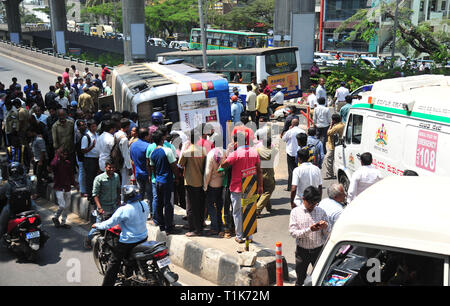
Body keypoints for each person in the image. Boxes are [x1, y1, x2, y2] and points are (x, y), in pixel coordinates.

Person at [92, 185, 149, 286]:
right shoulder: (144, 204)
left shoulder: (124, 209)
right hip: (143, 238)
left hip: (129, 242)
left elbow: (109, 223)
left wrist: (97, 225)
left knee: (113, 263)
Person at [220, 129, 263, 244]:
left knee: (237, 212)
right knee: (249, 210)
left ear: (236, 143)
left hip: (237, 188)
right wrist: (260, 186)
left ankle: (239, 236)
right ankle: (249, 237)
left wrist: (228, 152)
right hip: (251, 187)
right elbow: (259, 170)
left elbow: (223, 165)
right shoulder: (254, 152)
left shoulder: (235, 154)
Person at [289, 185, 329, 286]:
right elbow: (293, 233)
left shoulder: (321, 212)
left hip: (318, 251)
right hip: (302, 253)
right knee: (300, 278)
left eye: (315, 204)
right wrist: (309, 230)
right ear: (303, 199)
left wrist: (325, 227)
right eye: (310, 203)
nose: (312, 206)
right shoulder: (295, 212)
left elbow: (328, 234)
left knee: (321, 277)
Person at [148, 130, 180, 234]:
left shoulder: (152, 153)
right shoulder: (167, 151)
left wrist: (157, 177)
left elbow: (152, 168)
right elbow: (174, 166)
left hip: (158, 181)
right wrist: (177, 177)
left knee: (159, 203)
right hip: (167, 181)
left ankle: (161, 225)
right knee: (169, 204)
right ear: (162, 139)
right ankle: (169, 227)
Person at [85, 160, 121, 248]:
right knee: (98, 226)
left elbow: (118, 189)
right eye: (109, 167)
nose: (112, 169)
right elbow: (95, 194)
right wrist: (99, 207)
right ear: (105, 167)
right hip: (103, 207)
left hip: (114, 206)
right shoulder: (99, 178)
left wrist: (119, 200)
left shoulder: (116, 176)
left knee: (115, 226)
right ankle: (88, 239)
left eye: (113, 168)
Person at [179, 128, 207, 237]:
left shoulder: (187, 152)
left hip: (190, 182)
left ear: (189, 139)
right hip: (200, 181)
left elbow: (180, 164)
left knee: (191, 207)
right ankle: (200, 226)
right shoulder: (203, 150)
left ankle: (195, 230)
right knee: (200, 206)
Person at [203, 134, 225, 236]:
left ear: (213, 143)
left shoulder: (211, 154)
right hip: (222, 184)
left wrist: (205, 186)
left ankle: (214, 227)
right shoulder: (225, 153)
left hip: (212, 184)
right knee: (220, 206)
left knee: (211, 206)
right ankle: (220, 226)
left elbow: (207, 173)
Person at [51, 148, 78, 229]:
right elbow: (53, 164)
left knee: (66, 206)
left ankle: (63, 222)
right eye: (63, 154)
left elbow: (71, 176)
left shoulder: (67, 163)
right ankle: (55, 217)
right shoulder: (56, 163)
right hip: (59, 187)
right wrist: (57, 155)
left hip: (67, 187)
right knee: (62, 205)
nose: (65, 156)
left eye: (66, 155)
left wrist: (75, 184)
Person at [255, 130, 277, 218]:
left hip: (259, 172)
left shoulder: (257, 150)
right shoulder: (272, 151)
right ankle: (257, 210)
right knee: (268, 191)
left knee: (264, 190)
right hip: (268, 173)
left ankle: (269, 207)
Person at [282, 118, 306, 191]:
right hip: (300, 153)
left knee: (291, 170)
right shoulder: (302, 131)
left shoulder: (290, 131)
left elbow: (283, 139)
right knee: (300, 169)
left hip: (291, 153)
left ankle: (290, 187)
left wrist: (289, 130)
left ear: (292, 124)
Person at [130, 128, 152, 205]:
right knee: (150, 196)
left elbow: (132, 158)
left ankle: (141, 212)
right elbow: (150, 162)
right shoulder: (149, 146)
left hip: (138, 173)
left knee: (140, 195)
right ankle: (151, 213)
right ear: (146, 136)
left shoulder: (132, 145)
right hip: (148, 174)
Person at [82, 119, 99, 202]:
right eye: (92, 127)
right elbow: (83, 150)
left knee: (95, 178)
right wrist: (92, 146)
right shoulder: (86, 137)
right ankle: (90, 195)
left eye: (95, 126)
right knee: (90, 178)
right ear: (89, 127)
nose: (94, 128)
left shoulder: (97, 135)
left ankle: (95, 195)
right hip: (89, 160)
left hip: (96, 158)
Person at [324, 114, 345, 180]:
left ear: (333, 120)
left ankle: (330, 174)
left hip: (332, 146)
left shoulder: (336, 127)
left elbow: (328, 133)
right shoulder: (343, 125)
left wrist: (330, 125)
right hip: (339, 144)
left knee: (329, 159)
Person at [114, 118, 132, 187]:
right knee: (125, 184)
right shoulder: (124, 139)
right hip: (124, 164)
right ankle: (124, 198)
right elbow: (125, 154)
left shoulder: (116, 134)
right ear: (127, 127)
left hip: (118, 160)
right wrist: (129, 167)